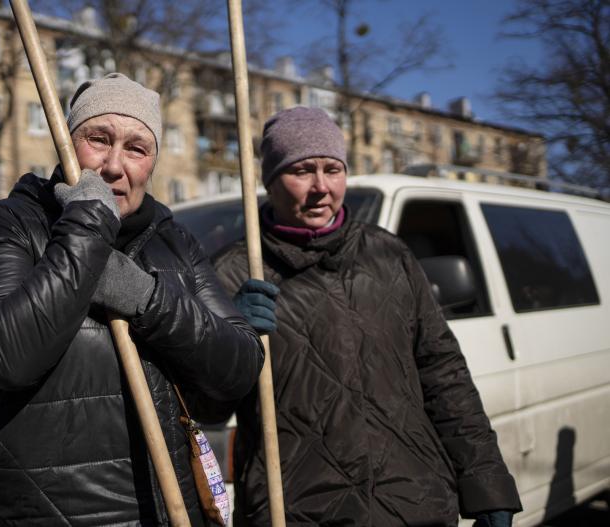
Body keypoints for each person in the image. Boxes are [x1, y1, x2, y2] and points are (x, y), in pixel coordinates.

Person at [0, 73, 264, 526]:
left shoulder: (176, 243)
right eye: (98, 139)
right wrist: (87, 228)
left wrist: (147, 299)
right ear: (66, 142)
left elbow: (238, 370)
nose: (115, 165)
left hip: (168, 512)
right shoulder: (12, 224)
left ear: (153, 162)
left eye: (137, 148)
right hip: (48, 514)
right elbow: (5, 357)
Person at [212, 106, 522, 526]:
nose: (321, 187)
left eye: (333, 169)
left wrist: (487, 485)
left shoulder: (388, 255)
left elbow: (443, 373)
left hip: (414, 502)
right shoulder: (233, 273)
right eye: (302, 170)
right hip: (300, 511)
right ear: (270, 180)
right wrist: (227, 341)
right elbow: (205, 409)